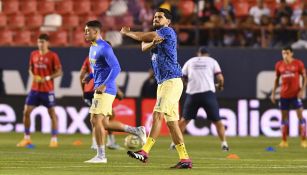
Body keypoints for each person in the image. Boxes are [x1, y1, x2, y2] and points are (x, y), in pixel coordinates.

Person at [120, 8, 192, 169]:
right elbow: (143, 46)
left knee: (157, 114)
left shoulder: (167, 32)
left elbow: (142, 37)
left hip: (171, 81)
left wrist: (128, 33)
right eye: (154, 17)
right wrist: (152, 42)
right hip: (163, 83)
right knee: (172, 124)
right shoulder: (158, 36)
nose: (156, 19)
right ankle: (185, 159)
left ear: (168, 21)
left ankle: (145, 152)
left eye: (160, 17)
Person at [83, 20, 146, 163]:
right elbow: (99, 68)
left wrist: (104, 85)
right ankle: (136, 130)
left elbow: (116, 67)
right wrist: (90, 76)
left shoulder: (104, 47)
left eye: (88, 30)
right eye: (85, 30)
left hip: (105, 90)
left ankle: (101, 156)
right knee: (104, 123)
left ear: (96, 32)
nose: (85, 33)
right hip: (99, 89)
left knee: (95, 119)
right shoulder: (92, 47)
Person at [169, 47, 229, 151]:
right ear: (207, 54)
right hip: (208, 94)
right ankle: (224, 144)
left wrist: (186, 85)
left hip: (193, 94)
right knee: (217, 121)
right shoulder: (212, 61)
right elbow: (220, 78)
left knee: (184, 120)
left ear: (198, 53)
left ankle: (174, 143)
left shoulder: (190, 61)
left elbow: (182, 78)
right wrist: (220, 86)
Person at [17, 34, 63, 148]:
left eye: (42, 42)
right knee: (26, 112)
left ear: (48, 43)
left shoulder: (53, 56)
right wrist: (33, 76)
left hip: (48, 90)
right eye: (39, 42)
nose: (40, 44)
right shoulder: (33, 54)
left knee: (52, 114)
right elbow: (30, 69)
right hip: (35, 89)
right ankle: (27, 138)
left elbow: (59, 72)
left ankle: (54, 140)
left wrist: (46, 78)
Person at [80, 56, 124, 150]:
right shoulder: (108, 59)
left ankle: (106, 142)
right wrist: (118, 91)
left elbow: (82, 75)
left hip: (89, 92)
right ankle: (100, 143)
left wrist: (83, 91)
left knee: (101, 117)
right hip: (98, 90)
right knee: (100, 117)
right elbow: (109, 77)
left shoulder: (89, 57)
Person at [271, 46, 307, 148]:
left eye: (287, 53)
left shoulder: (298, 64)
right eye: (283, 53)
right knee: (283, 118)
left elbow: (305, 78)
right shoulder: (279, 65)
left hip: (296, 95)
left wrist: (302, 90)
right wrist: (273, 93)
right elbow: (276, 80)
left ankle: (304, 140)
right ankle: (284, 141)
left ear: (291, 53)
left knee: (300, 117)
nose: (285, 55)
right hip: (284, 95)